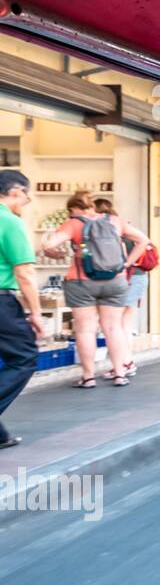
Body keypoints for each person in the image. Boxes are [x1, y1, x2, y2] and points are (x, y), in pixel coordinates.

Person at [41, 192, 150, 387]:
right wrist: (127, 263)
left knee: (85, 330)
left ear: (74, 209)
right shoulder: (115, 221)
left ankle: (88, 377)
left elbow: (48, 244)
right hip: (115, 280)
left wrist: (53, 252)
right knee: (113, 328)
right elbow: (143, 240)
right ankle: (119, 373)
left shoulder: (74, 223)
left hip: (82, 282)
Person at [0, 171, 45, 449]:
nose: (25, 203)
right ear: (15, 192)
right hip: (1, 303)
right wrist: (36, 312)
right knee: (24, 356)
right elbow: (25, 272)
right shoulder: (8, 221)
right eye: (25, 197)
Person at [93, 198, 148, 375]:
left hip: (128, 278)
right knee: (125, 323)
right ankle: (127, 362)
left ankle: (125, 363)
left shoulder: (111, 229)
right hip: (138, 278)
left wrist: (126, 265)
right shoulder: (124, 225)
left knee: (117, 325)